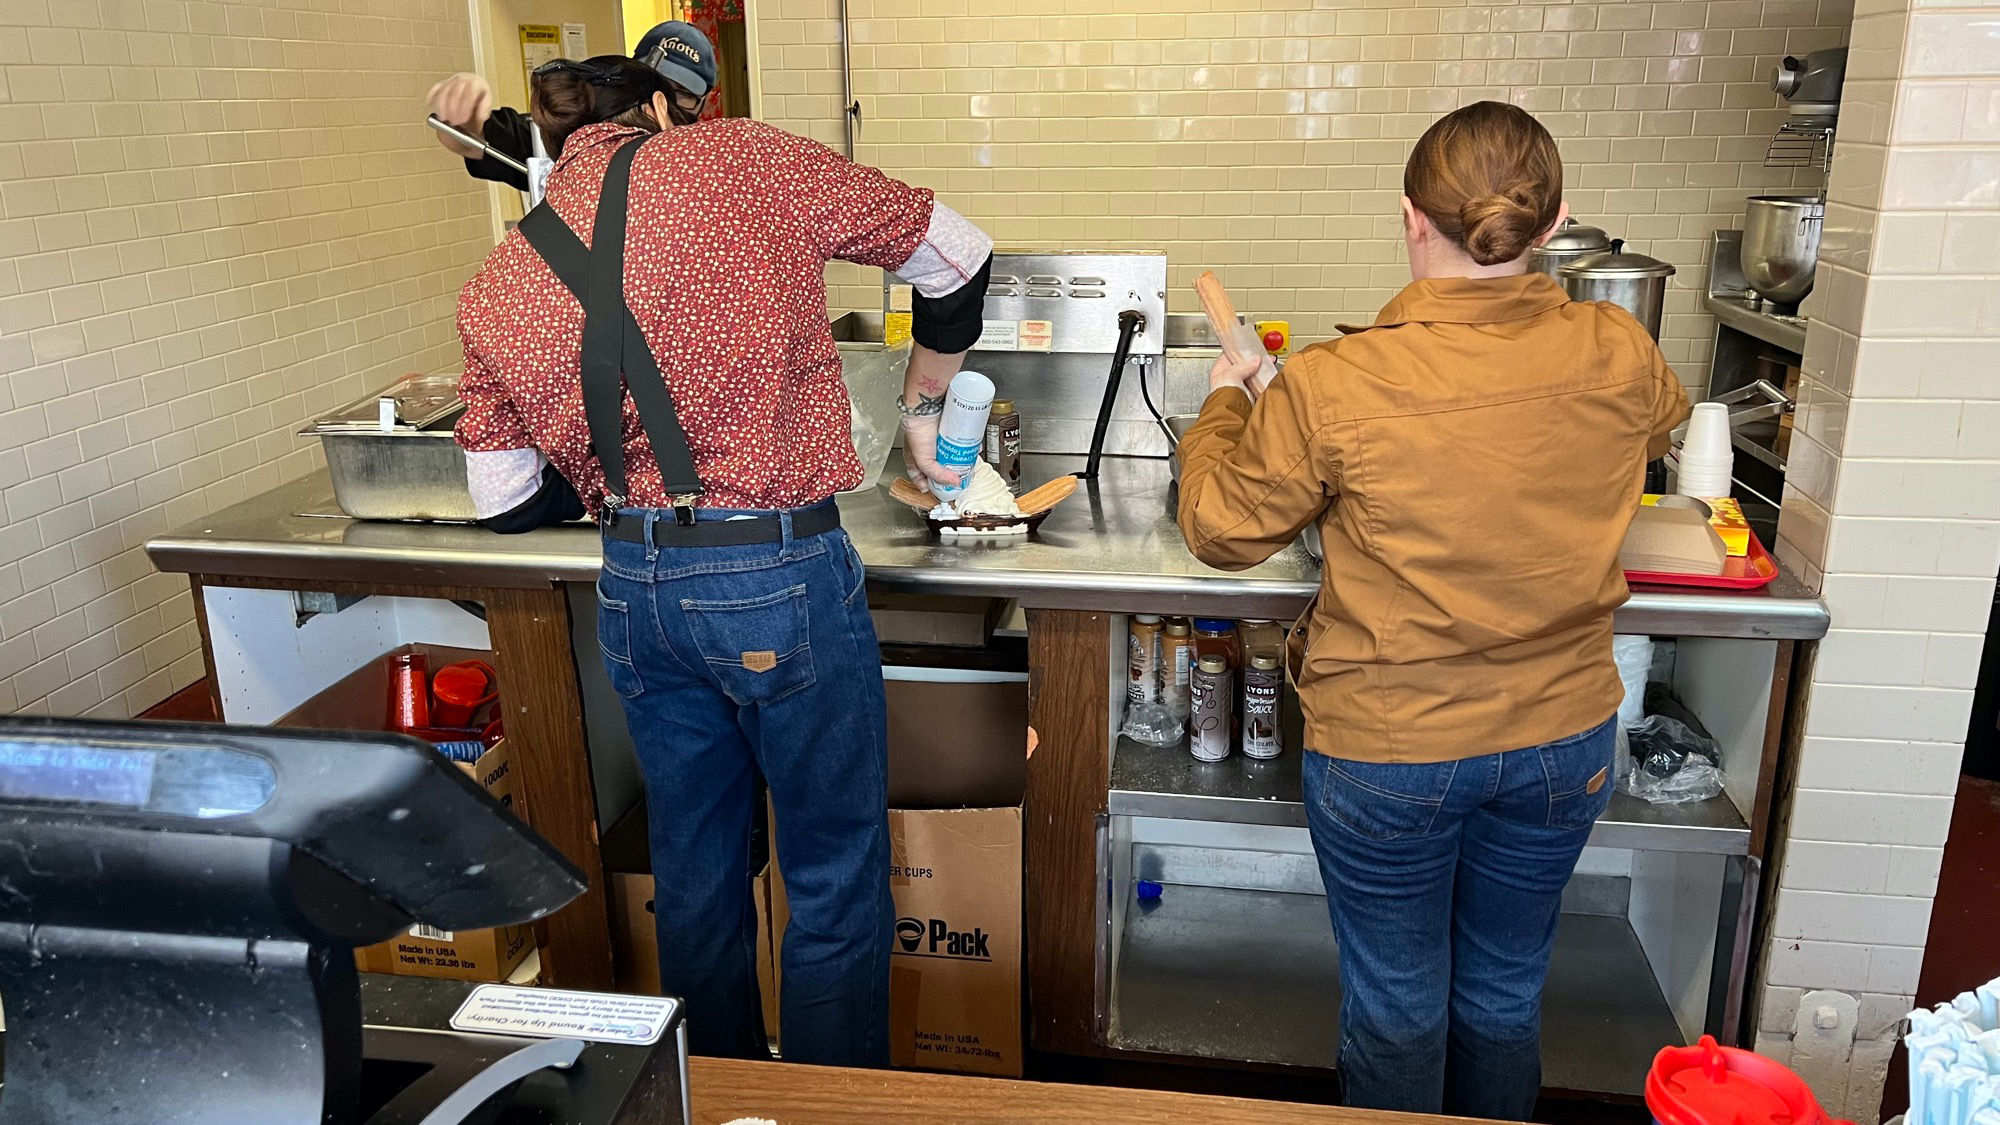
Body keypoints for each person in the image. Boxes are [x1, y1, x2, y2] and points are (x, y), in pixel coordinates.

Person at [451, 55, 993, 1065]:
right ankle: (828, 1104)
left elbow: (506, 503)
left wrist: (617, 464)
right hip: (778, 579)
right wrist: (922, 409)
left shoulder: (501, 277)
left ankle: (715, 1090)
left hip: (636, 596)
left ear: (558, 146)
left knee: (694, 875)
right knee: (829, 877)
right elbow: (958, 257)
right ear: (659, 110)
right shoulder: (740, 159)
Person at [1175, 101, 1690, 1119]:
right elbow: (1654, 433)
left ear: (1409, 217)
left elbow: (1220, 530)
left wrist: (1228, 403)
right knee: (1501, 1000)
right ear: (1552, 224)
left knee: (1397, 1009)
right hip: (1561, 738)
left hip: (1391, 749)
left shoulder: (1335, 381)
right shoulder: (1618, 346)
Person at [426, 21, 717, 192]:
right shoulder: (580, 137)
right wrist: (465, 117)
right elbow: (478, 139)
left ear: (704, 102)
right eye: (655, 84)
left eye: (683, 93)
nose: (664, 102)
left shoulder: (716, 165)